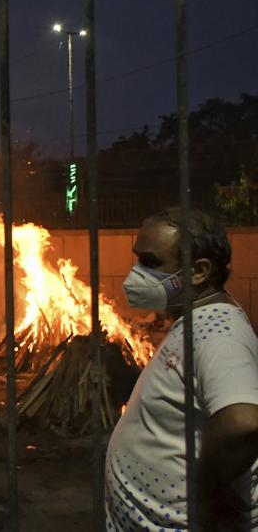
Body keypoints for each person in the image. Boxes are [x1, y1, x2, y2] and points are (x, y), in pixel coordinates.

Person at [106, 207, 258, 530]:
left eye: (150, 262)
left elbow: (243, 422)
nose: (136, 274)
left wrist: (203, 497)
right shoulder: (194, 320)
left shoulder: (219, 332)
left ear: (199, 271)